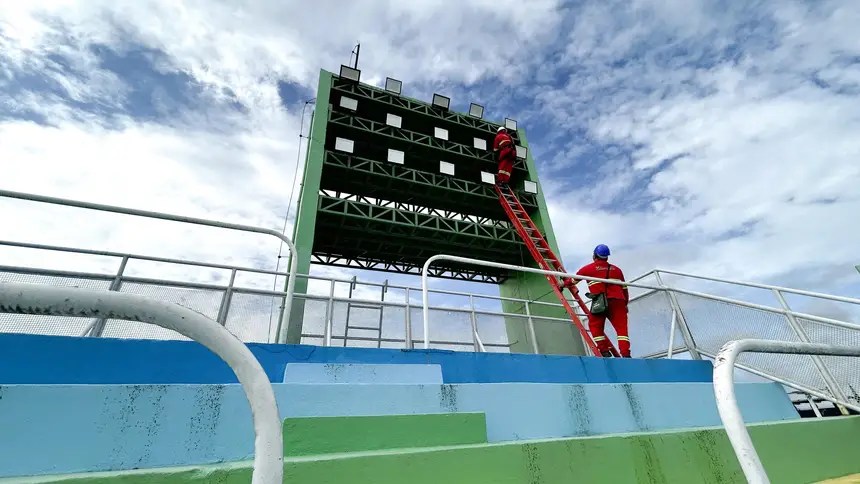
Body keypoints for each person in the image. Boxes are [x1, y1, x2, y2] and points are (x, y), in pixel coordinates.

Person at [563, 244, 631, 358]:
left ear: (594, 255)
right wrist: (625, 304)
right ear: (607, 257)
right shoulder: (617, 270)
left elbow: (572, 282)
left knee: (595, 326)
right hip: (618, 302)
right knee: (622, 330)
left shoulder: (588, 269)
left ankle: (604, 351)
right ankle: (626, 354)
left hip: (600, 302)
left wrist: (562, 284)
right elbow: (625, 290)